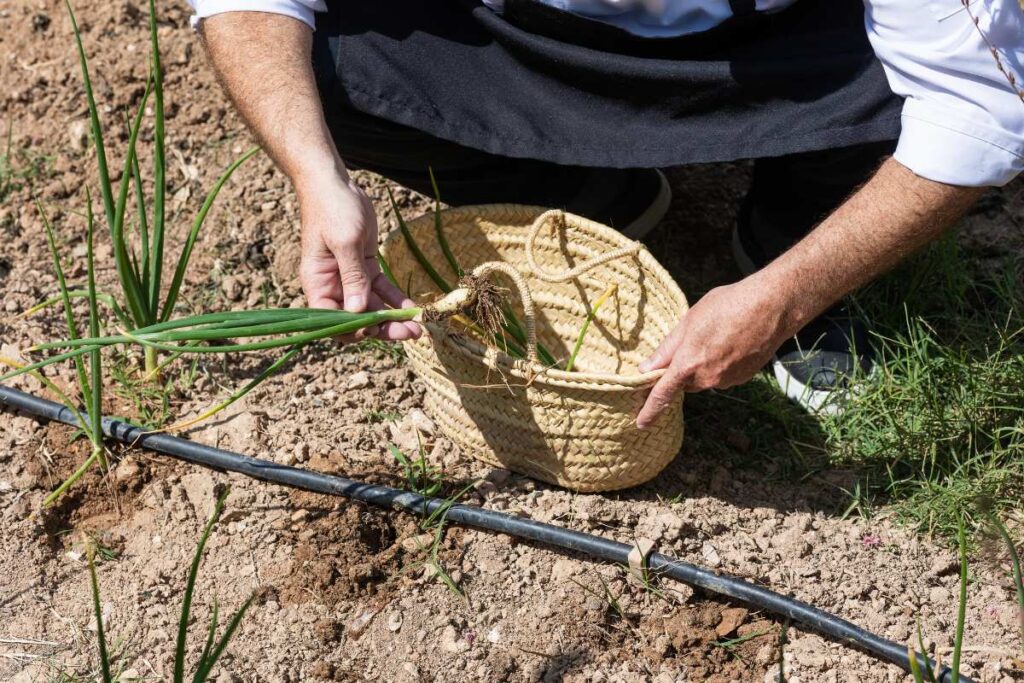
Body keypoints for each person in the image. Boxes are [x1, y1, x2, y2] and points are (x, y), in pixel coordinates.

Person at [187, 0, 1022, 427]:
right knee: (334, 70)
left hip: (784, 43)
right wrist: (312, 170)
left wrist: (786, 294)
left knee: (904, 91)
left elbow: (982, 105)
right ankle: (598, 203)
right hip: (526, 30)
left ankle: (778, 244)